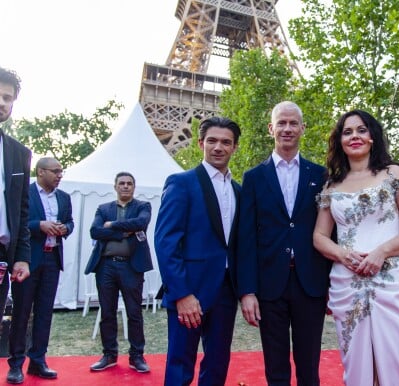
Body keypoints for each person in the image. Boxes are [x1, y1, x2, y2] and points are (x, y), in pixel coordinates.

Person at [313, 109, 399, 385]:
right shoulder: (331, 185)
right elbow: (319, 236)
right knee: (355, 364)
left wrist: (382, 252)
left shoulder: (395, 174)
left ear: (373, 137)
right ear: (339, 141)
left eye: (361, 130)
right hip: (347, 282)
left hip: (391, 283)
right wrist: (342, 253)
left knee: (394, 362)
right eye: (347, 131)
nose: (355, 136)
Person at [237, 101, 330, 385]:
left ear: (303, 128)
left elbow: (330, 232)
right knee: (275, 367)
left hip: (310, 283)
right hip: (269, 285)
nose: (287, 129)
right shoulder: (253, 178)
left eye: (293, 123)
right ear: (271, 128)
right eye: (281, 123)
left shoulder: (321, 175)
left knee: (309, 365)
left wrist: (331, 283)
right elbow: (246, 237)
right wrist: (247, 291)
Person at [155, 117, 241, 385]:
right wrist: (181, 294)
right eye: (212, 141)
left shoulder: (240, 190)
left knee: (217, 364)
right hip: (189, 291)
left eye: (226, 142)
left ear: (234, 147)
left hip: (227, 292)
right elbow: (166, 242)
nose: (218, 147)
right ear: (201, 143)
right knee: (180, 365)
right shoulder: (182, 183)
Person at [6, 158, 73, 383]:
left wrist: (65, 228)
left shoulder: (64, 197)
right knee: (22, 313)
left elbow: (70, 222)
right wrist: (40, 225)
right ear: (41, 172)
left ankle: (38, 361)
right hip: (27, 261)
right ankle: (15, 364)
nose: (59, 175)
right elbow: (17, 223)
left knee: (45, 313)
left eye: (61, 172)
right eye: (55, 171)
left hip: (52, 260)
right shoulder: (27, 193)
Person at [85, 172, 153, 373]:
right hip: (105, 266)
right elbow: (95, 231)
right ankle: (109, 355)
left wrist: (112, 225)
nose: (125, 186)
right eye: (121, 183)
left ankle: (137, 356)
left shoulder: (142, 206)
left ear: (134, 187)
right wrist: (122, 232)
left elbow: (140, 223)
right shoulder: (103, 208)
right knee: (107, 312)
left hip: (131, 267)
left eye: (129, 183)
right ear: (115, 186)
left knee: (134, 312)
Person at [0, 67, 31, 324]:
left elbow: (21, 209)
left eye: (7, 98)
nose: (2, 102)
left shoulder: (18, 153)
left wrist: (21, 256)